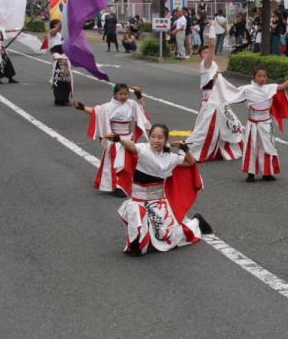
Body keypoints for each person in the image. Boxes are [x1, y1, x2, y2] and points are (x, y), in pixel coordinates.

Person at [106, 123, 212, 256]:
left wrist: (185, 149)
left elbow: (190, 162)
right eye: (153, 137)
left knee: (165, 236)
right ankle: (135, 245)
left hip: (158, 202)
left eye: (160, 137)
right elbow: (131, 146)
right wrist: (118, 139)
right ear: (149, 138)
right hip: (138, 200)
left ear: (166, 140)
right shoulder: (143, 149)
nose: (156, 140)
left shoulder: (170, 158)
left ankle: (196, 222)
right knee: (136, 213)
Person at [211, 65, 288, 182]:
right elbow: (230, 92)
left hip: (266, 123)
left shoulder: (270, 88)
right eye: (259, 76)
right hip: (253, 124)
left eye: (264, 76)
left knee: (268, 147)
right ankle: (251, 173)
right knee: (251, 147)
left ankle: (267, 172)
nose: (262, 78)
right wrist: (218, 79)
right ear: (254, 77)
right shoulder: (247, 89)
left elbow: (282, 86)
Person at [75, 84, 151, 197]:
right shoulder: (108, 107)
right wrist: (83, 107)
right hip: (114, 139)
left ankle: (130, 183)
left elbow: (141, 110)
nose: (123, 96)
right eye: (120, 94)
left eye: (125, 94)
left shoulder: (131, 104)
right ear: (114, 94)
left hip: (128, 138)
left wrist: (139, 95)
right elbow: (96, 112)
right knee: (116, 163)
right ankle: (117, 186)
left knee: (130, 162)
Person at [186, 42, 245, 162]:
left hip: (220, 100)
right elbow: (212, 48)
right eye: (204, 52)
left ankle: (225, 148)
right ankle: (195, 151)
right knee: (206, 129)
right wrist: (212, 28)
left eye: (208, 52)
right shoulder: (205, 64)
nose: (207, 54)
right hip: (210, 101)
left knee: (231, 124)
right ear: (201, 55)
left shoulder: (214, 65)